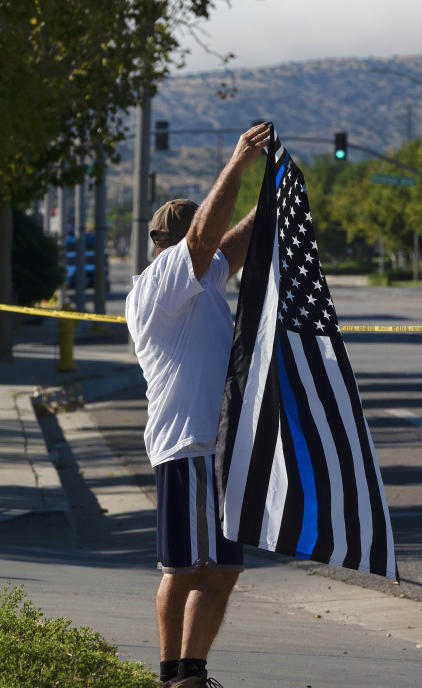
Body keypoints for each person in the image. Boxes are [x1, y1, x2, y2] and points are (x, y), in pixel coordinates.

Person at [125, 123, 271, 688]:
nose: (207, 255)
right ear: (173, 246)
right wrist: (237, 161)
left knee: (223, 568)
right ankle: (169, 677)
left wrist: (270, 198)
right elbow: (210, 239)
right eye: (195, 243)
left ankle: (191, 673)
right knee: (186, 568)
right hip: (188, 444)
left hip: (215, 447)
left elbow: (227, 246)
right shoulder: (160, 282)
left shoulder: (202, 279)